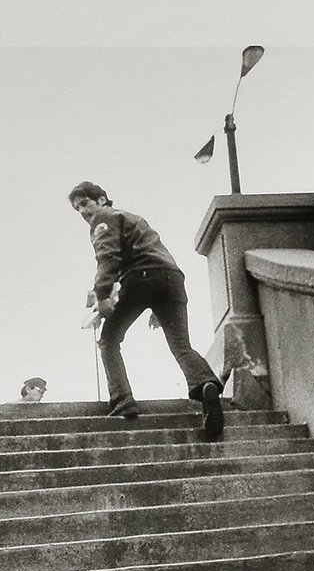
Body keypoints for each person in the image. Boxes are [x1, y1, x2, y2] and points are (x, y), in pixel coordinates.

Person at [67, 181, 225, 438]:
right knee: (181, 346)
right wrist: (157, 306)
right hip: (172, 280)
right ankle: (205, 383)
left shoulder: (104, 218)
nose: (83, 212)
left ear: (102, 199)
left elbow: (107, 258)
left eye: (85, 204)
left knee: (108, 341)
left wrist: (103, 295)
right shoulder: (134, 218)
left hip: (140, 278)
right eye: (77, 209)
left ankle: (122, 401)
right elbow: (156, 254)